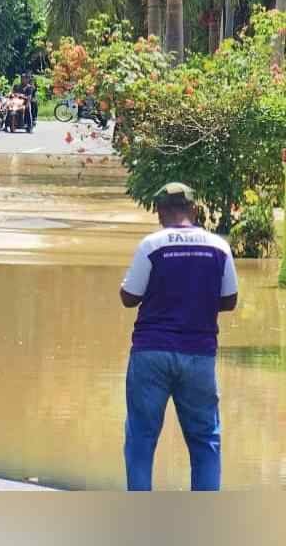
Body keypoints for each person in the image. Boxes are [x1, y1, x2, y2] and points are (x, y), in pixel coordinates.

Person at [119, 183, 238, 491]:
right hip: (199, 354)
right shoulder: (219, 247)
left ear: (160, 211)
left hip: (151, 353)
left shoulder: (152, 245)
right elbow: (229, 300)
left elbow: (129, 297)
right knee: (205, 442)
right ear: (195, 210)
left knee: (141, 440)